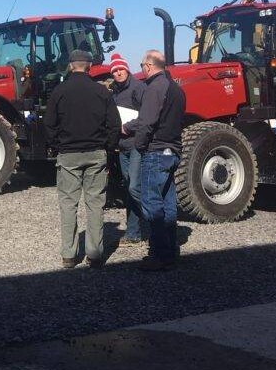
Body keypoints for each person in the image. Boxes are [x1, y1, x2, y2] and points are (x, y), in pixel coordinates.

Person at [44, 49, 121, 269]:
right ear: (89, 67)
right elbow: (114, 125)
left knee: (68, 204)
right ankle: (95, 255)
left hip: (68, 154)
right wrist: (107, 147)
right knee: (95, 204)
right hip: (96, 153)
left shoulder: (59, 92)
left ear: (70, 66)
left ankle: (69, 255)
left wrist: (58, 145)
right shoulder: (102, 92)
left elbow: (48, 124)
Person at [122, 50, 185, 271]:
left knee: (151, 204)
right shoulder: (176, 89)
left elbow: (147, 122)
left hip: (156, 152)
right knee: (168, 203)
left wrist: (140, 145)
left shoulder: (153, 88)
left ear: (149, 66)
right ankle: (171, 249)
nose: (141, 69)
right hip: (173, 151)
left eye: (141, 65)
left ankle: (158, 253)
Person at [108, 53, 146, 245]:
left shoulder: (138, 88)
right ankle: (133, 232)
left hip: (137, 144)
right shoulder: (113, 92)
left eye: (121, 69)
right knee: (129, 187)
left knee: (134, 187)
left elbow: (147, 116)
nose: (118, 73)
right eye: (115, 71)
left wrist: (127, 127)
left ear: (127, 69)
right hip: (122, 147)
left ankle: (154, 223)